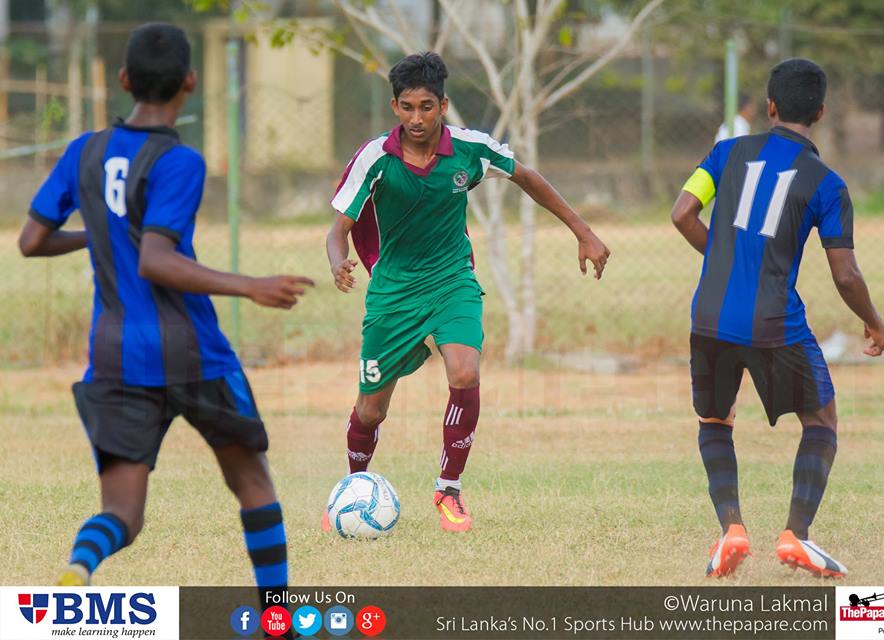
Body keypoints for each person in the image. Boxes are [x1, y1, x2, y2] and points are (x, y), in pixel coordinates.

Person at [18, 23, 312, 594]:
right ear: (191, 82)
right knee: (252, 481)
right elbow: (155, 259)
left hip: (114, 357)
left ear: (125, 80)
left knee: (123, 515)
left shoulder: (84, 150)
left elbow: (31, 241)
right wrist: (250, 284)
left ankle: (80, 564)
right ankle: (278, 620)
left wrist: (104, 233)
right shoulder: (180, 161)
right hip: (192, 353)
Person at [325, 52, 610, 533]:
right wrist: (338, 262)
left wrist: (584, 232)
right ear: (395, 107)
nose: (418, 118)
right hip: (393, 293)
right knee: (371, 409)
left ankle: (448, 489)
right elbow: (338, 230)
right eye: (408, 107)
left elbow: (529, 179)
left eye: (428, 106)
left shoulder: (470, 149)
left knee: (464, 369)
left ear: (444, 105)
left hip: (451, 280)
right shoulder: (375, 156)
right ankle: (355, 490)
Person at [670, 58, 884, 578]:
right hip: (775, 324)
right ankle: (796, 535)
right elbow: (847, 275)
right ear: (819, 111)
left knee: (715, 420)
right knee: (821, 421)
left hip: (709, 319)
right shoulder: (827, 184)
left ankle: (732, 530)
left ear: (769, 106)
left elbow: (681, 212)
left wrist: (723, 259)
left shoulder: (724, 154)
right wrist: (874, 322)